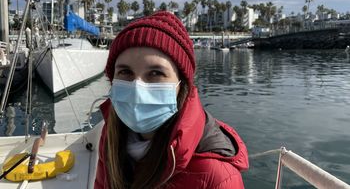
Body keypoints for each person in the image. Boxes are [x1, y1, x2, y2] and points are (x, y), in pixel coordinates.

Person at [94, 11, 249, 189]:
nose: (137, 88)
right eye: (125, 72)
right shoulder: (110, 136)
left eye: (155, 73)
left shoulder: (218, 176)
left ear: (181, 85)